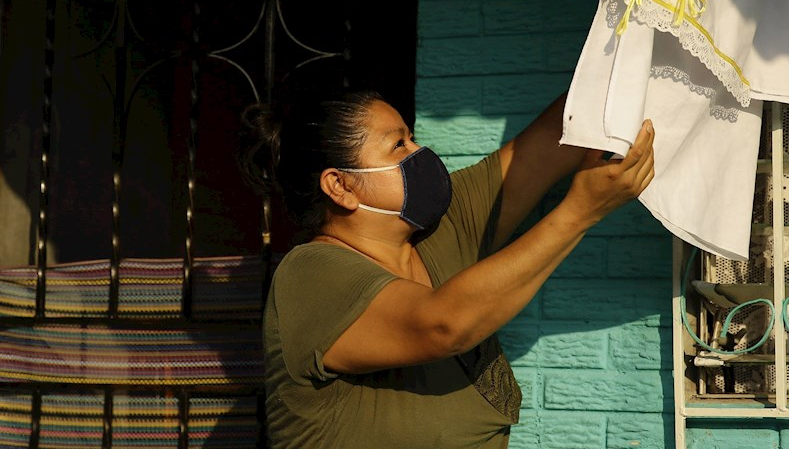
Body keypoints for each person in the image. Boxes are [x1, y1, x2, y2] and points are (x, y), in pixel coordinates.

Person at [241, 87, 654, 448]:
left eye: (412, 138)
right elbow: (443, 325)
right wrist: (579, 212)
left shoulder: (441, 231)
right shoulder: (309, 276)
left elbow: (557, 133)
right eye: (398, 145)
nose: (420, 154)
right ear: (341, 186)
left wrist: (641, 30)